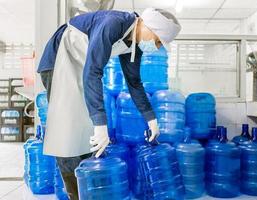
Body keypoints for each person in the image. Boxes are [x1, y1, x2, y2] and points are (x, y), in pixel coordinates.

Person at [37, 8, 181, 199]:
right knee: (67, 132)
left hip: (82, 67)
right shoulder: (113, 23)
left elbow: (134, 82)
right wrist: (100, 125)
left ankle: (87, 189)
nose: (155, 46)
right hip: (59, 61)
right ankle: (75, 194)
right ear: (146, 25)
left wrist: (151, 118)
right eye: (156, 39)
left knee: (86, 132)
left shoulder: (134, 43)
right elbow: (93, 72)